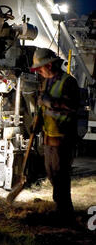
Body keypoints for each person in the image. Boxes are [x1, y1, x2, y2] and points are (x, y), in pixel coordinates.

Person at [31, 48, 80, 222]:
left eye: (40, 68)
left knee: (61, 176)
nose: (39, 71)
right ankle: (61, 208)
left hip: (63, 137)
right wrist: (36, 123)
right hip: (49, 137)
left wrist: (50, 102)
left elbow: (72, 106)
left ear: (49, 65)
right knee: (52, 174)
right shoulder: (46, 82)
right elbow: (42, 107)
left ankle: (65, 213)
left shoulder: (69, 82)